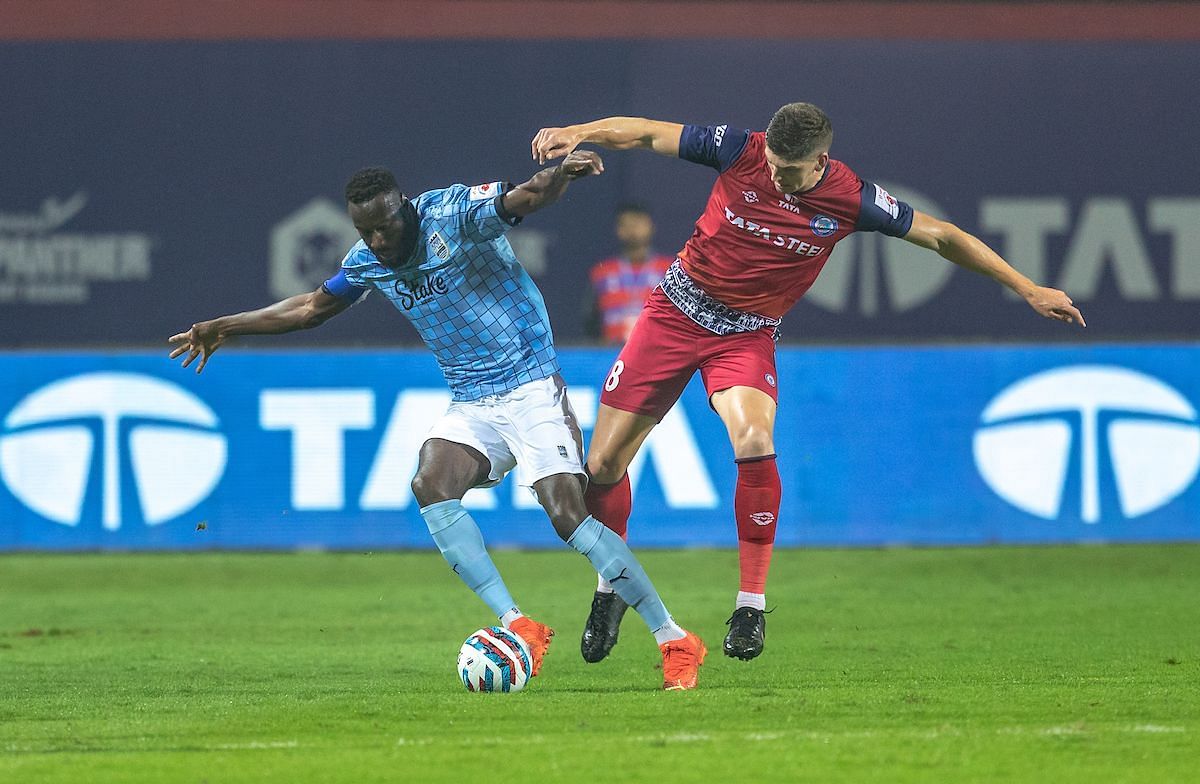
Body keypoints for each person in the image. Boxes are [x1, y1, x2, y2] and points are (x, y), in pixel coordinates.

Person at [532, 103, 1085, 663]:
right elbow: (649, 133)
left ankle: (750, 604)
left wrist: (1027, 287)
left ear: (821, 159)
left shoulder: (851, 198)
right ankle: (610, 589)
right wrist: (580, 130)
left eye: (789, 171)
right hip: (672, 314)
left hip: (744, 337)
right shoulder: (739, 150)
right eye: (772, 163)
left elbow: (942, 237)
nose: (776, 177)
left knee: (754, 440)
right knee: (601, 467)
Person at [167, 152, 707, 690]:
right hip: (472, 400)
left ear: (403, 207)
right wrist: (227, 325)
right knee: (430, 484)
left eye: (384, 226)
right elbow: (312, 307)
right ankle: (519, 624)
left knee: (568, 515)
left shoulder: (452, 216)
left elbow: (525, 196)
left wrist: (561, 175)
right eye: (365, 231)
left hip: (532, 385)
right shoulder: (366, 260)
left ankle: (674, 639)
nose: (378, 241)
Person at [585, 204, 673, 344]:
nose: (633, 230)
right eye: (626, 224)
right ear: (617, 230)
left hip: (658, 352)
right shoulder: (601, 272)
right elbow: (589, 321)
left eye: (638, 223)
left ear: (651, 226)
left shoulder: (670, 269)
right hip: (608, 355)